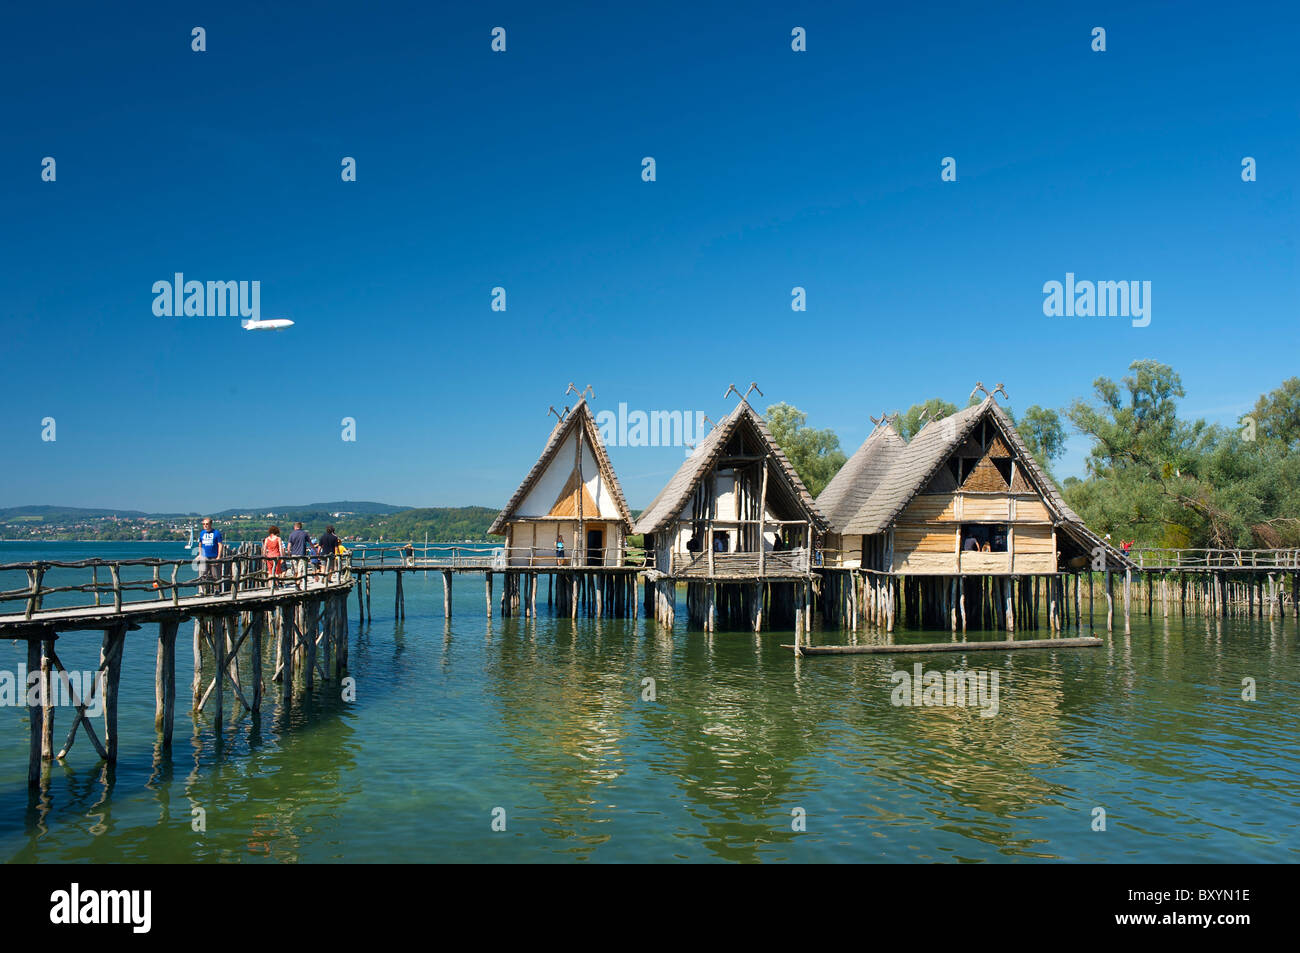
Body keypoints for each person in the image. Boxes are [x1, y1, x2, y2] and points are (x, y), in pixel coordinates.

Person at [198, 517, 224, 593]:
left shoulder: (216, 533)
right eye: (203, 524)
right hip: (204, 557)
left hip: (214, 557)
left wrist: (218, 556)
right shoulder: (202, 533)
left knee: (215, 575)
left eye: (207, 524)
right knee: (202, 574)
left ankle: (217, 590)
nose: (205, 525)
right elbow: (200, 544)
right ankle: (202, 591)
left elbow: (220, 545)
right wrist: (200, 554)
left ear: (210, 524)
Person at [287, 521, 311, 587]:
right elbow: (310, 543)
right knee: (300, 570)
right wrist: (315, 551)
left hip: (294, 554)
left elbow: (289, 546)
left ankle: (296, 582)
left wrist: (289, 553)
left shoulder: (291, 534)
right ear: (301, 527)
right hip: (301, 554)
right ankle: (298, 584)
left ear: (295, 527)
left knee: (295, 570)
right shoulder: (305, 534)